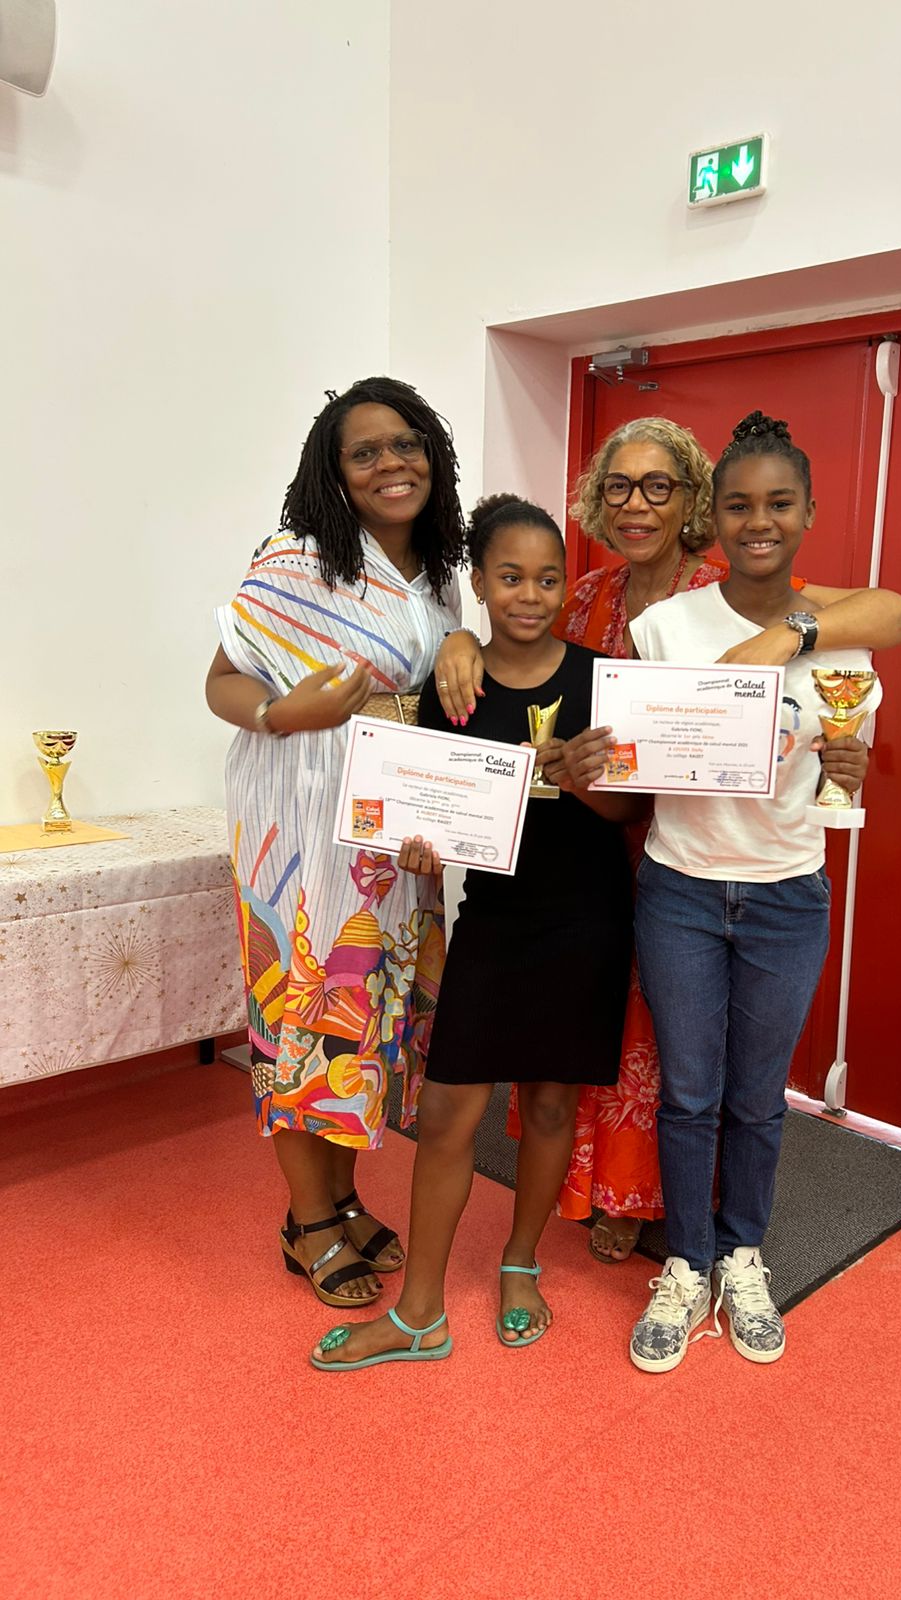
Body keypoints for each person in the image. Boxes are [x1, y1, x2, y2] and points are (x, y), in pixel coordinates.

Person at [433, 418, 901, 1265]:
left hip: (697, 846)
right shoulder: (583, 593)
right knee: (612, 1045)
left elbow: (893, 613)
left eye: (659, 486)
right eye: (618, 486)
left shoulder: (736, 583)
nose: (637, 504)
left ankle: (668, 1210)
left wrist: (787, 636)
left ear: (693, 498)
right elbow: (522, 637)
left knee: (670, 1052)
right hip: (594, 843)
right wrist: (463, 635)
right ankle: (611, 1196)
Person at [309, 494, 647, 1370]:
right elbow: (423, 808)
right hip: (493, 920)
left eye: (548, 578)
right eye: (511, 577)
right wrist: (419, 847)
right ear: (481, 583)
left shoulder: (605, 679)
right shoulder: (452, 683)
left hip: (588, 919)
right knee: (449, 1109)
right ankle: (420, 1311)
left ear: (565, 585)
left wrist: (577, 778)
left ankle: (520, 1263)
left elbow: (628, 812)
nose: (530, 596)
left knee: (549, 1106)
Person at [617, 410, 901, 1372]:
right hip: (682, 890)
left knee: (756, 1099)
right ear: (715, 514)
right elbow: (637, 753)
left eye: (780, 503)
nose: (759, 522)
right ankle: (685, 1264)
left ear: (809, 512)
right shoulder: (665, 627)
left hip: (788, 893)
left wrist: (852, 767)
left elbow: (848, 756)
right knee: (689, 1095)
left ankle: (743, 1256)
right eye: (739, 505)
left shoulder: (840, 641)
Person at [206, 377, 466, 1311]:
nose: (391, 464)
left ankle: (344, 1198)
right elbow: (221, 682)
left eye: (407, 444)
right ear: (335, 469)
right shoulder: (297, 559)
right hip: (301, 824)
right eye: (365, 452)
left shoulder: (441, 572)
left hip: (392, 835)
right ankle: (308, 1221)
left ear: (432, 454)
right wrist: (284, 713)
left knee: (368, 1022)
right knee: (305, 1014)